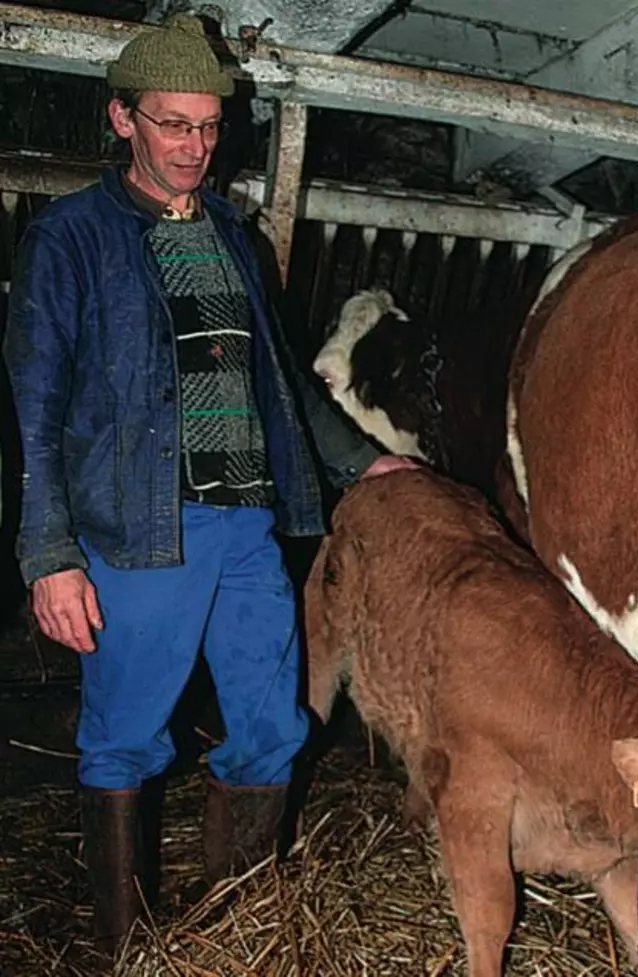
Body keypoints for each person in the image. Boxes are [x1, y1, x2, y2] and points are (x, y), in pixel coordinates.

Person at [3, 12, 410, 961]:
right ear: (122, 120)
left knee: (272, 724)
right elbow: (34, 408)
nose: (194, 146)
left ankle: (238, 931)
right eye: (172, 124)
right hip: (141, 529)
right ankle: (126, 944)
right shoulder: (70, 240)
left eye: (208, 127)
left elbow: (276, 380)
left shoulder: (232, 230)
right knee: (125, 735)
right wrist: (49, 555)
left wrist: (359, 461)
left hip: (244, 525)